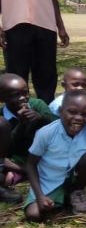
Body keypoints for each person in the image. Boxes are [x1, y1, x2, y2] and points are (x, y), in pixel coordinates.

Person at [24, 90, 86, 221]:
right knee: (34, 214)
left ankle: (76, 192)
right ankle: (60, 199)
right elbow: (30, 165)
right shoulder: (46, 133)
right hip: (48, 182)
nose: (79, 118)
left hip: (71, 179)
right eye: (72, 112)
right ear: (60, 111)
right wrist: (40, 195)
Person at [0, 73, 55, 203]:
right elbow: (8, 149)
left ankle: (24, 172)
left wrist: (41, 119)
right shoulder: (2, 117)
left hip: (39, 155)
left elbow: (56, 126)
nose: (23, 98)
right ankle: (24, 171)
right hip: (15, 157)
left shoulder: (38, 105)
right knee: (3, 174)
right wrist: (21, 124)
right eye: (15, 95)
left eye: (25, 93)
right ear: (1, 98)